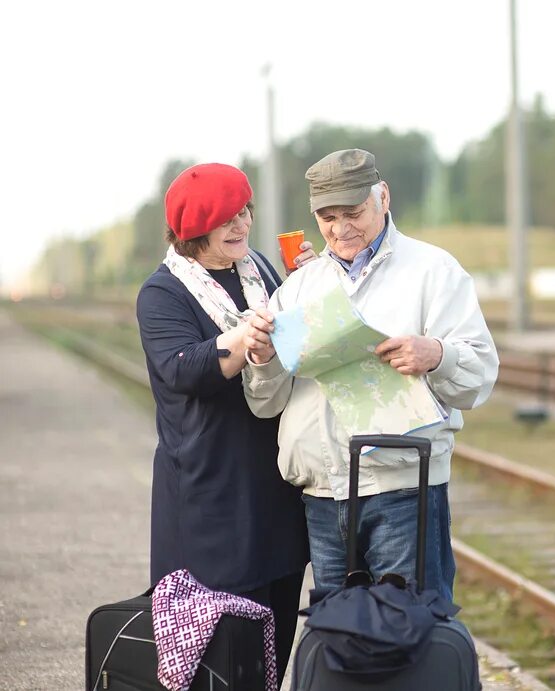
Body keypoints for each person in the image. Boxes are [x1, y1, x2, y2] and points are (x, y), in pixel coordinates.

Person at [241, 149, 498, 602]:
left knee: (410, 637)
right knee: (341, 646)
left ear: (384, 197)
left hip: (404, 492)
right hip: (322, 498)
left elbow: (480, 375)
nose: (341, 229)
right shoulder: (298, 288)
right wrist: (262, 359)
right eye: (327, 217)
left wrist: (437, 354)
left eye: (353, 212)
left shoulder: (433, 271)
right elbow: (266, 403)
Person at [135, 163, 312, 684]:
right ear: (192, 230)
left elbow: (294, 344)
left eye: (244, 212)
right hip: (209, 497)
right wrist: (245, 339)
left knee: (275, 632)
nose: (241, 225)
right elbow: (182, 369)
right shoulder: (162, 293)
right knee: (220, 645)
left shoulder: (258, 269)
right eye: (224, 219)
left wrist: (306, 288)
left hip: (275, 485)